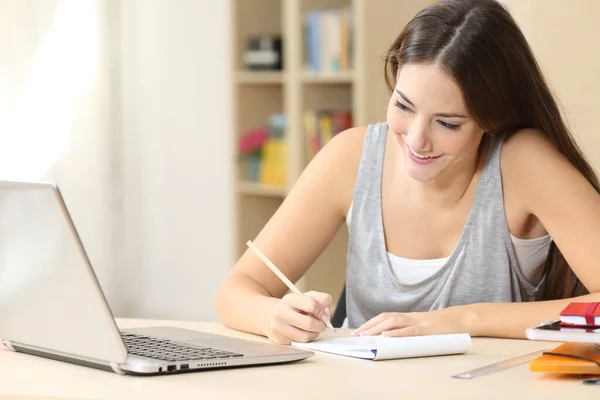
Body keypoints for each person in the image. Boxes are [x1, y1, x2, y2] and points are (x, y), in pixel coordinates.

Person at [216, 0, 600, 345]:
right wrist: (274, 316)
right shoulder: (351, 157)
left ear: (491, 119)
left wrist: (463, 319)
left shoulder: (523, 164)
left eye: (447, 124)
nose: (417, 140)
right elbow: (237, 290)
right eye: (403, 105)